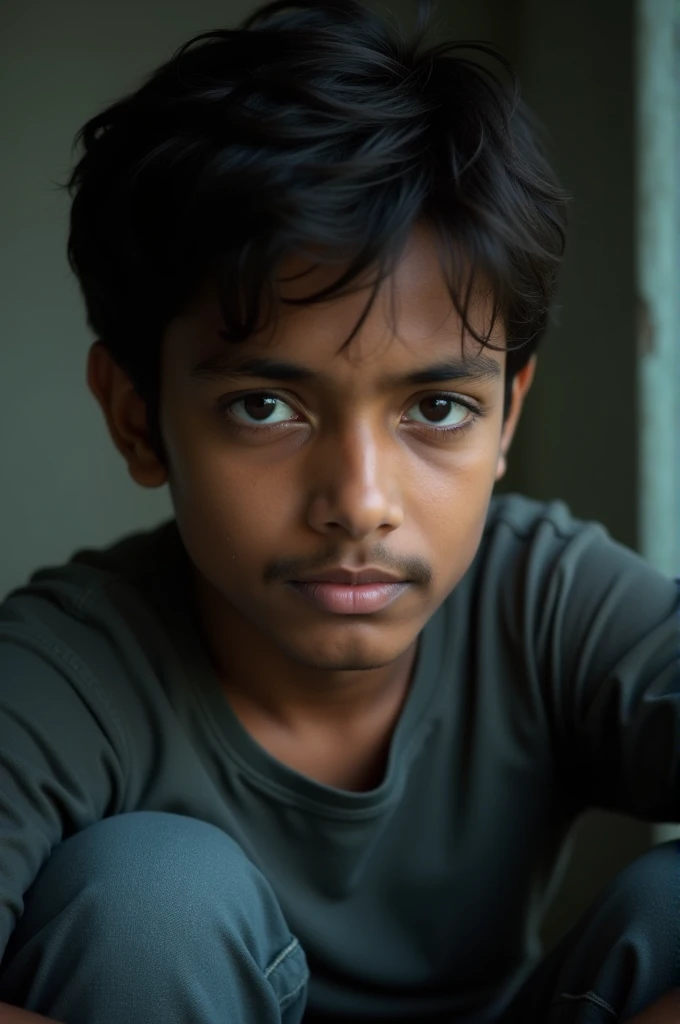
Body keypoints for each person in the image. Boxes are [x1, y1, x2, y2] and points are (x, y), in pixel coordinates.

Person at [0, 1, 678, 1021]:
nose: (359, 502)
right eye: (264, 406)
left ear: (504, 421)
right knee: (146, 899)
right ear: (138, 419)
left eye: (437, 408)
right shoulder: (65, 678)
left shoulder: (544, 602)